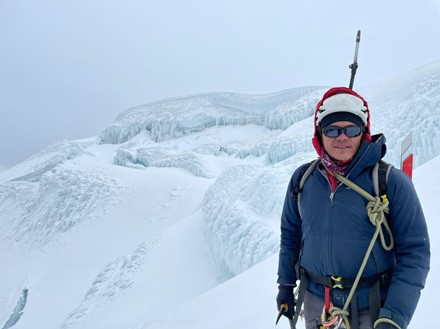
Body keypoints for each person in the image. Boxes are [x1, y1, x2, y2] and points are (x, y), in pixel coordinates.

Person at [276, 87, 430, 329]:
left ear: (363, 132)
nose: (342, 137)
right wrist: (285, 284)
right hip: (317, 305)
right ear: (320, 134)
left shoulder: (390, 182)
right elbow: (291, 235)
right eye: (332, 130)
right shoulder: (302, 180)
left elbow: (415, 253)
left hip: (373, 308)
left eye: (352, 129)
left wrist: (394, 317)